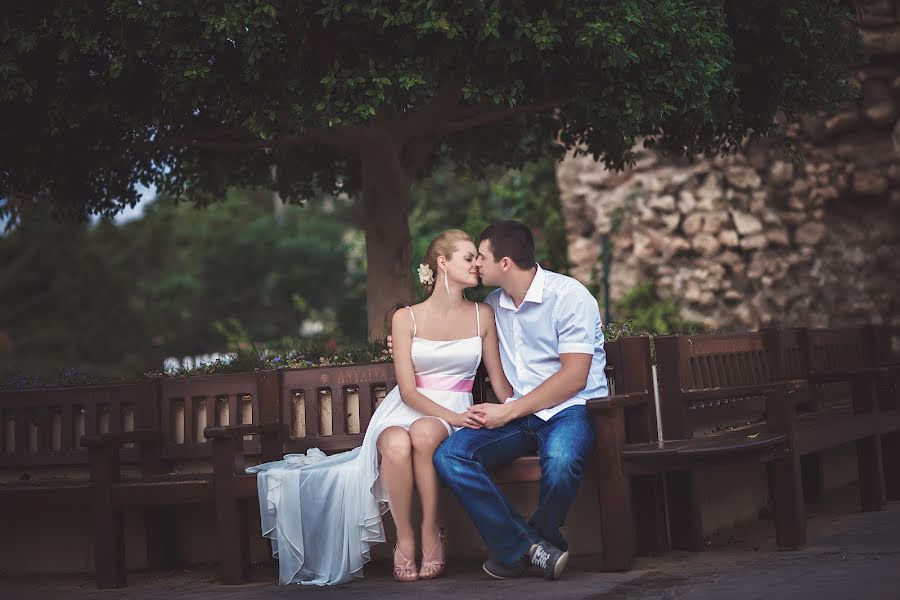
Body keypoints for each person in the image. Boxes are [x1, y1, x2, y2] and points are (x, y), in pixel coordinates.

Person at [247, 229, 513, 585]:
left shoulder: (483, 314)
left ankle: (431, 531)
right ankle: (404, 538)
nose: (477, 265)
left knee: (423, 432)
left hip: (454, 407)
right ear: (442, 263)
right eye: (469, 258)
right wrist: (452, 415)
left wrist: (520, 410)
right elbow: (407, 389)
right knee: (394, 442)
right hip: (409, 404)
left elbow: (497, 380)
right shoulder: (406, 318)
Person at [435, 220, 607, 581]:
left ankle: (522, 546)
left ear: (506, 263)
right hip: (518, 416)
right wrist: (399, 337)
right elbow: (444, 330)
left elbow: (574, 376)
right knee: (451, 456)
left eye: (481, 256)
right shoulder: (493, 306)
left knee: (561, 461)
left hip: (568, 410)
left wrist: (510, 409)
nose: (477, 264)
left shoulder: (570, 297)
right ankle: (530, 546)